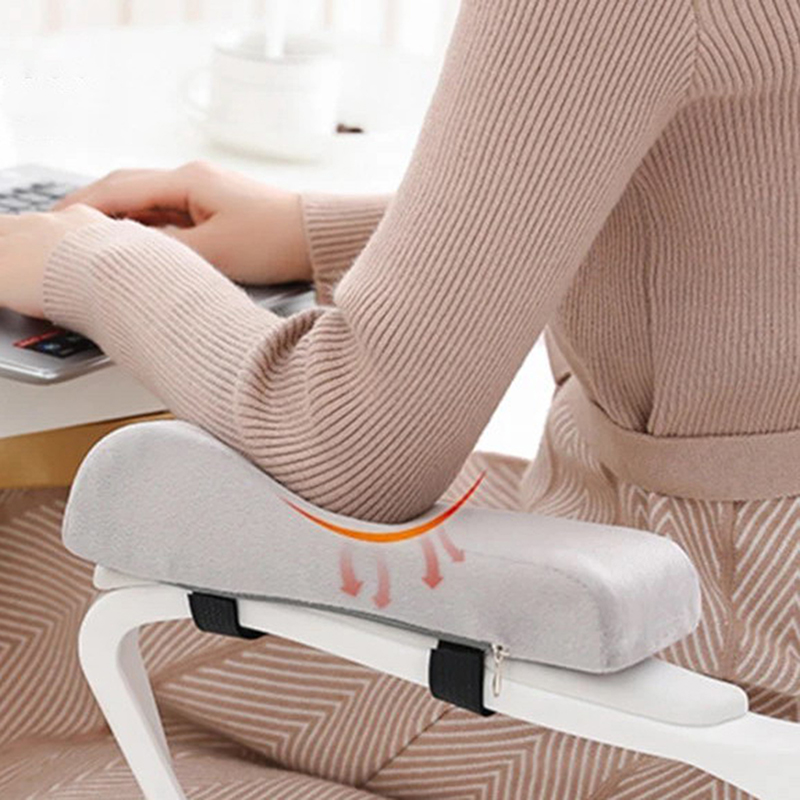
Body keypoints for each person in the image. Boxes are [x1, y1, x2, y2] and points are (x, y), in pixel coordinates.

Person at [0, 0, 797, 796]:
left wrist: (92, 263)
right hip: (734, 587)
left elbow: (351, 447)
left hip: (707, 683)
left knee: (23, 571)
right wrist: (317, 233)